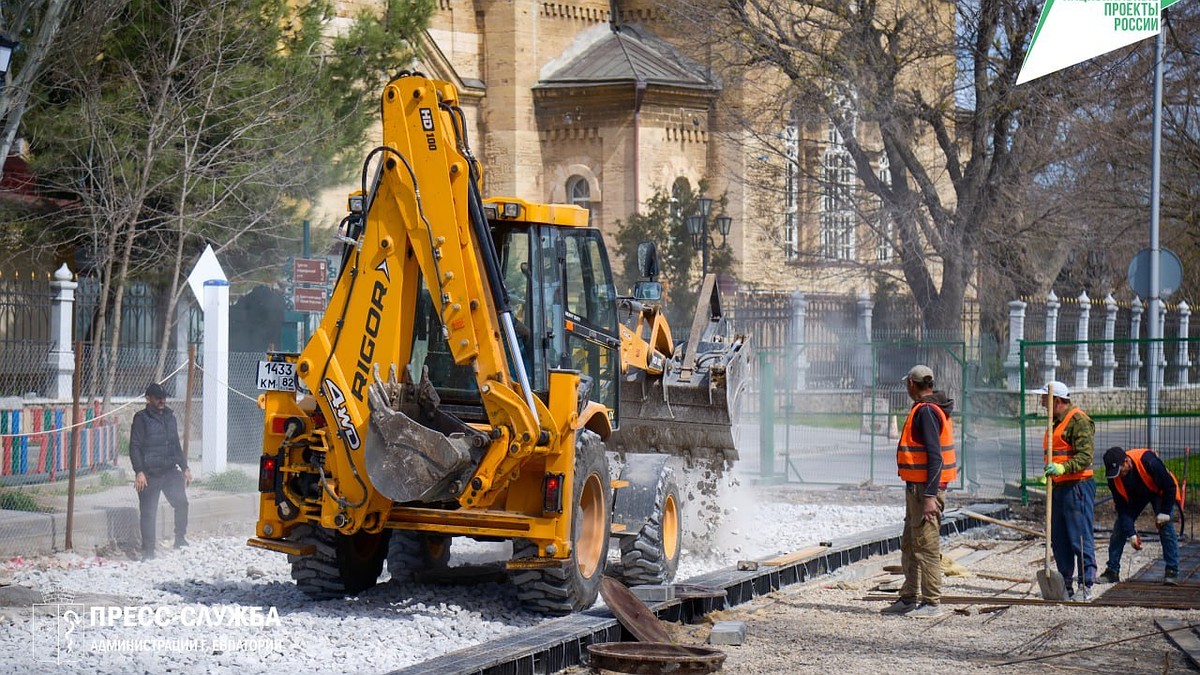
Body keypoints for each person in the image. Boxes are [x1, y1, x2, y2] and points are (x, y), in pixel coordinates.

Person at [881, 364, 956, 618]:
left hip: (925, 491)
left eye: (907, 385)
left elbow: (936, 458)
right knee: (911, 544)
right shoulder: (930, 409)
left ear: (912, 384)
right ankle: (909, 596)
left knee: (926, 545)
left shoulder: (926, 412)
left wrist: (929, 498)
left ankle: (931, 602)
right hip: (918, 489)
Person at [1035, 381, 1096, 600]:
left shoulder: (1078, 420)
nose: (1042, 402)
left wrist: (1063, 468)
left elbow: (1084, 456)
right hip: (1059, 487)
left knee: (1078, 537)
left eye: (1045, 398)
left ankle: (1086, 585)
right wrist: (1050, 472)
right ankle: (1065, 585)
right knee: (1059, 539)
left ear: (1057, 401)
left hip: (1077, 487)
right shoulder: (1054, 422)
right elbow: (1057, 453)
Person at [1099, 446, 1181, 586]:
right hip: (1136, 496)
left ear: (1126, 461)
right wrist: (1131, 534)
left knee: (1166, 529)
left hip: (1159, 491)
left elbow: (1170, 486)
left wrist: (1165, 512)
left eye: (1120, 471)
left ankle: (1171, 571)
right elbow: (1122, 508)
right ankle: (1112, 570)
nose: (1119, 475)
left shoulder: (1148, 461)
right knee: (1119, 530)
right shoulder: (1114, 478)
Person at [130, 382, 191, 560]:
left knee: (182, 503)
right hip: (150, 473)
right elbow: (134, 446)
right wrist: (139, 471)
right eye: (158, 398)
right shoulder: (141, 418)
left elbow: (175, 445)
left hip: (170, 470)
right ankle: (148, 552)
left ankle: (180, 539)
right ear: (148, 399)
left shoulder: (170, 417)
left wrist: (185, 467)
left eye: (164, 397)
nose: (162, 401)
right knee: (149, 513)